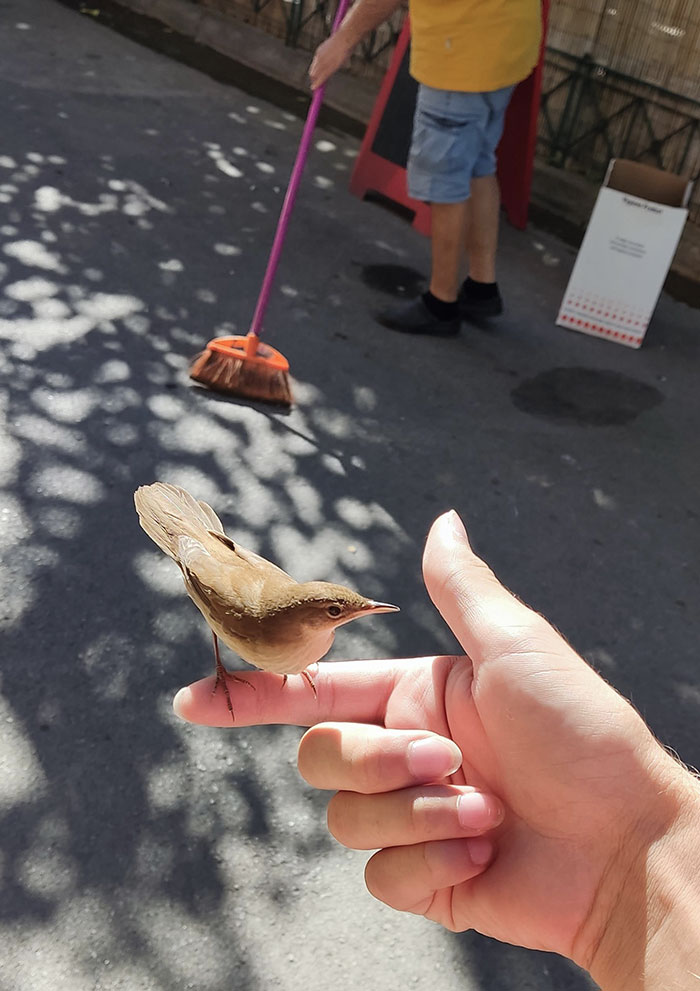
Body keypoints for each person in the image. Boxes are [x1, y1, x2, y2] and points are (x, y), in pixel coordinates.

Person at [174, 509, 700, 987]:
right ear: (306, 619)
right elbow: (215, 602)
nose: (356, 613)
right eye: (339, 611)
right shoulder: (259, 627)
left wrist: (634, 856)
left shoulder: (302, 629)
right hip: (209, 571)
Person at [308, 0, 542, 336]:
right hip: (507, 40)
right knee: (478, 162)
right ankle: (481, 286)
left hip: (460, 51)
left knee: (445, 181)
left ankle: (441, 304)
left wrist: (343, 39)